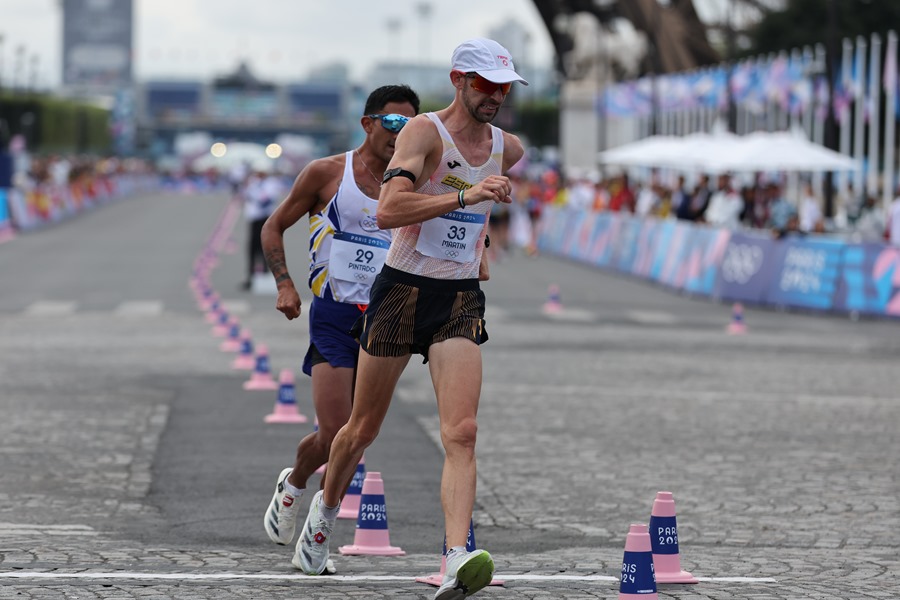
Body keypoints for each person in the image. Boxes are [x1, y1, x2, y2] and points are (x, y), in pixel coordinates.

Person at [293, 38, 526, 600]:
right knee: (360, 429)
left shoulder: (508, 148)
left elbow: (479, 213)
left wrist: (482, 234)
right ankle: (323, 515)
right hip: (401, 291)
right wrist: (467, 197)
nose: (494, 96)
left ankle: (455, 557)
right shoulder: (423, 132)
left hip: (459, 298)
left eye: (503, 87)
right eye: (484, 84)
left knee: (462, 432)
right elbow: (388, 210)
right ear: (458, 81)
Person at [258, 85, 420, 565]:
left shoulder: (416, 180)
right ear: (368, 123)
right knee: (334, 431)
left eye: (411, 126)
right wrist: (286, 285)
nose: (401, 134)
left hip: (387, 318)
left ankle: (314, 522)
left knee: (358, 434)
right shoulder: (328, 173)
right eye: (393, 123)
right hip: (332, 314)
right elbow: (273, 226)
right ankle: (295, 487)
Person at [241, 169, 282, 290]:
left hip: (265, 218)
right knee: (252, 248)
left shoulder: (271, 184)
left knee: (266, 247)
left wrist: (254, 193)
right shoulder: (253, 183)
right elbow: (245, 196)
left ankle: (265, 273)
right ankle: (251, 276)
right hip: (254, 219)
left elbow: (265, 201)